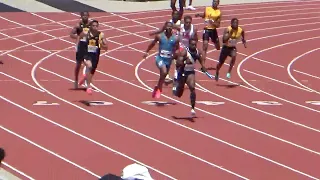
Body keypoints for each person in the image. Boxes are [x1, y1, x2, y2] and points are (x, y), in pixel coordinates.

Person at [143, 22, 180, 98]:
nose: (169, 28)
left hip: (168, 60)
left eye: (170, 27)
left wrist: (175, 54)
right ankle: (159, 89)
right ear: (165, 27)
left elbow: (177, 48)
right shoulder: (159, 36)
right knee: (164, 71)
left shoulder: (175, 38)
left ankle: (157, 87)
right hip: (160, 58)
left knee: (163, 76)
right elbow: (152, 44)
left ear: (172, 28)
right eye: (167, 27)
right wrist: (146, 52)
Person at [174, 38, 207, 116]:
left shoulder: (197, 51)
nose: (194, 46)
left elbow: (200, 58)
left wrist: (203, 66)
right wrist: (185, 61)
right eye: (192, 44)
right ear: (189, 44)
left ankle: (192, 108)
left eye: (195, 44)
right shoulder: (184, 52)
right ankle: (177, 89)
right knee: (179, 94)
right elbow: (178, 64)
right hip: (182, 72)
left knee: (192, 88)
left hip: (190, 72)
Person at [149, 10, 182, 83]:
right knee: (167, 59)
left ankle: (176, 76)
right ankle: (166, 76)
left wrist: (176, 27)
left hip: (176, 43)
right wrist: (153, 33)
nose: (175, 16)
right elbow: (161, 30)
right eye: (174, 14)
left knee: (177, 61)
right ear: (172, 15)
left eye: (177, 14)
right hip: (168, 43)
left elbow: (182, 30)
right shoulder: (168, 23)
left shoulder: (180, 23)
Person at [78, 20, 108, 94]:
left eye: (96, 26)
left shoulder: (101, 35)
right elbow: (79, 38)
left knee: (91, 72)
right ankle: (88, 87)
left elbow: (106, 47)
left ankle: (85, 77)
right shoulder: (86, 33)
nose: (95, 27)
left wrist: (101, 44)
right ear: (90, 26)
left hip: (95, 54)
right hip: (86, 53)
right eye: (93, 26)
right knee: (89, 65)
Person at [195, 0, 222, 65]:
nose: (215, 3)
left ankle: (217, 44)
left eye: (216, 2)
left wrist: (212, 22)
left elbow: (218, 25)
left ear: (218, 3)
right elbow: (204, 15)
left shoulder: (218, 12)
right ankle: (203, 64)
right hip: (206, 29)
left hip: (213, 30)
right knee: (205, 46)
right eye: (214, 1)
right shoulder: (207, 8)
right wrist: (199, 15)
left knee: (218, 47)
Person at [69, 11, 91, 89]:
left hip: (88, 46)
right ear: (81, 16)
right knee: (78, 64)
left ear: (88, 16)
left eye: (86, 15)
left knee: (89, 64)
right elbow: (71, 34)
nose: (85, 17)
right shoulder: (78, 25)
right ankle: (75, 80)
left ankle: (86, 79)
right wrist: (78, 37)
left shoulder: (91, 25)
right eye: (84, 15)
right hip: (81, 46)